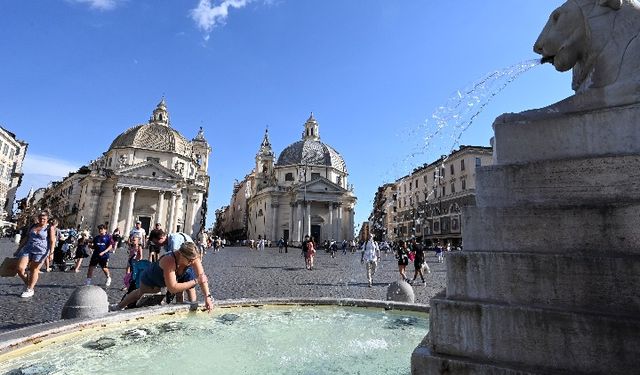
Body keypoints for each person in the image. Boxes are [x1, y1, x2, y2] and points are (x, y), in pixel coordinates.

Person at [114, 242, 214, 312]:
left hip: (178, 275)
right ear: (181, 254)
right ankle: (119, 306)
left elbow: (202, 277)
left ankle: (189, 311)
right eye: (190, 261)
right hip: (153, 277)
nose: (192, 263)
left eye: (193, 260)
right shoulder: (169, 261)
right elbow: (173, 288)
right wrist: (195, 281)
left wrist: (207, 296)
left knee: (188, 281)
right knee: (141, 292)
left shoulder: (192, 257)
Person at [14, 211, 56, 298]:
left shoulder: (49, 228)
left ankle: (30, 289)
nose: (42, 220)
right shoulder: (33, 226)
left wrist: (51, 253)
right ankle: (27, 282)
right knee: (19, 269)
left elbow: (52, 241)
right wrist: (18, 249)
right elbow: (26, 238)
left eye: (44, 219)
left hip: (41, 251)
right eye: (40, 218)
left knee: (34, 269)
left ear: (47, 219)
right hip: (27, 249)